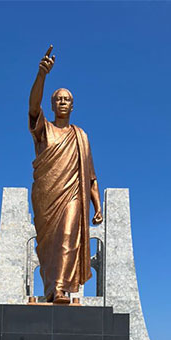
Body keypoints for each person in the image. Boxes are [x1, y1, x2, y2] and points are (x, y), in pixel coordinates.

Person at [29, 45, 103, 304]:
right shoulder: (43, 130)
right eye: (58, 99)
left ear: (73, 106)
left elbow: (90, 175)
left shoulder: (80, 136)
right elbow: (32, 107)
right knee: (47, 246)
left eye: (66, 99)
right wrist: (42, 76)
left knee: (69, 238)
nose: (62, 102)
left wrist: (97, 205)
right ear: (52, 105)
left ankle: (60, 288)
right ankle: (51, 289)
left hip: (72, 194)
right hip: (46, 196)